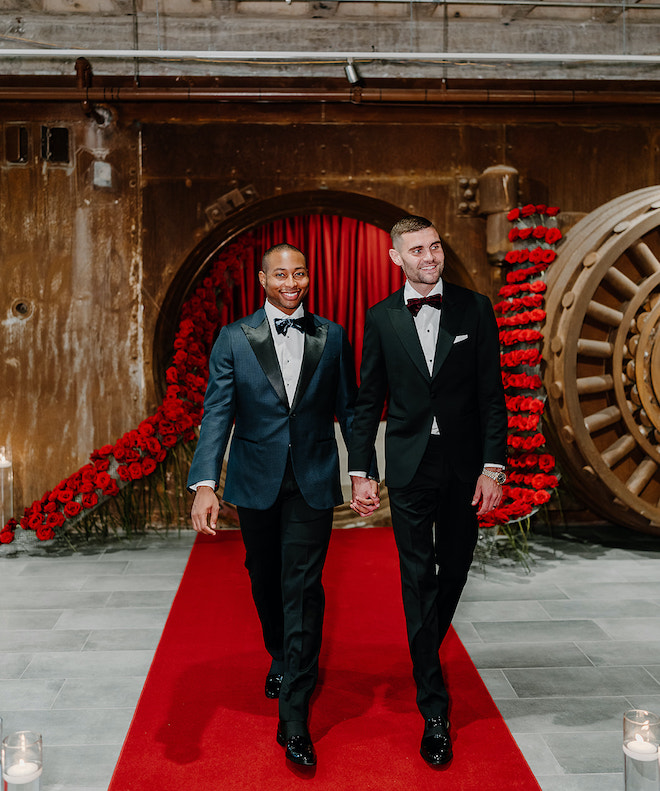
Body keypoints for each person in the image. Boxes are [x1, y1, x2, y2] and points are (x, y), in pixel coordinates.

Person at [188, 243, 368, 768]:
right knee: (264, 578)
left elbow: (351, 410)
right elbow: (217, 412)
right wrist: (205, 483)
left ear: (309, 278)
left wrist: (360, 473)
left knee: (303, 588)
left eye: (300, 273)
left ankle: (294, 718)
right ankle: (281, 653)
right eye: (281, 274)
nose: (292, 282)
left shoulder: (331, 336)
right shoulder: (233, 339)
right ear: (263, 279)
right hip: (255, 482)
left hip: (313, 480)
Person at [348, 215, 507, 767]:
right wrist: (361, 469)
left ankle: (421, 649)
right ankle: (433, 709)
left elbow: (492, 396)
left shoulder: (474, 308)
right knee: (417, 577)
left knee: (456, 567)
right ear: (397, 259)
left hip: (464, 467)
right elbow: (368, 402)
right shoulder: (381, 319)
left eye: (434, 247)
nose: (429, 258)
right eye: (416, 251)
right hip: (410, 465)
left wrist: (494, 470)